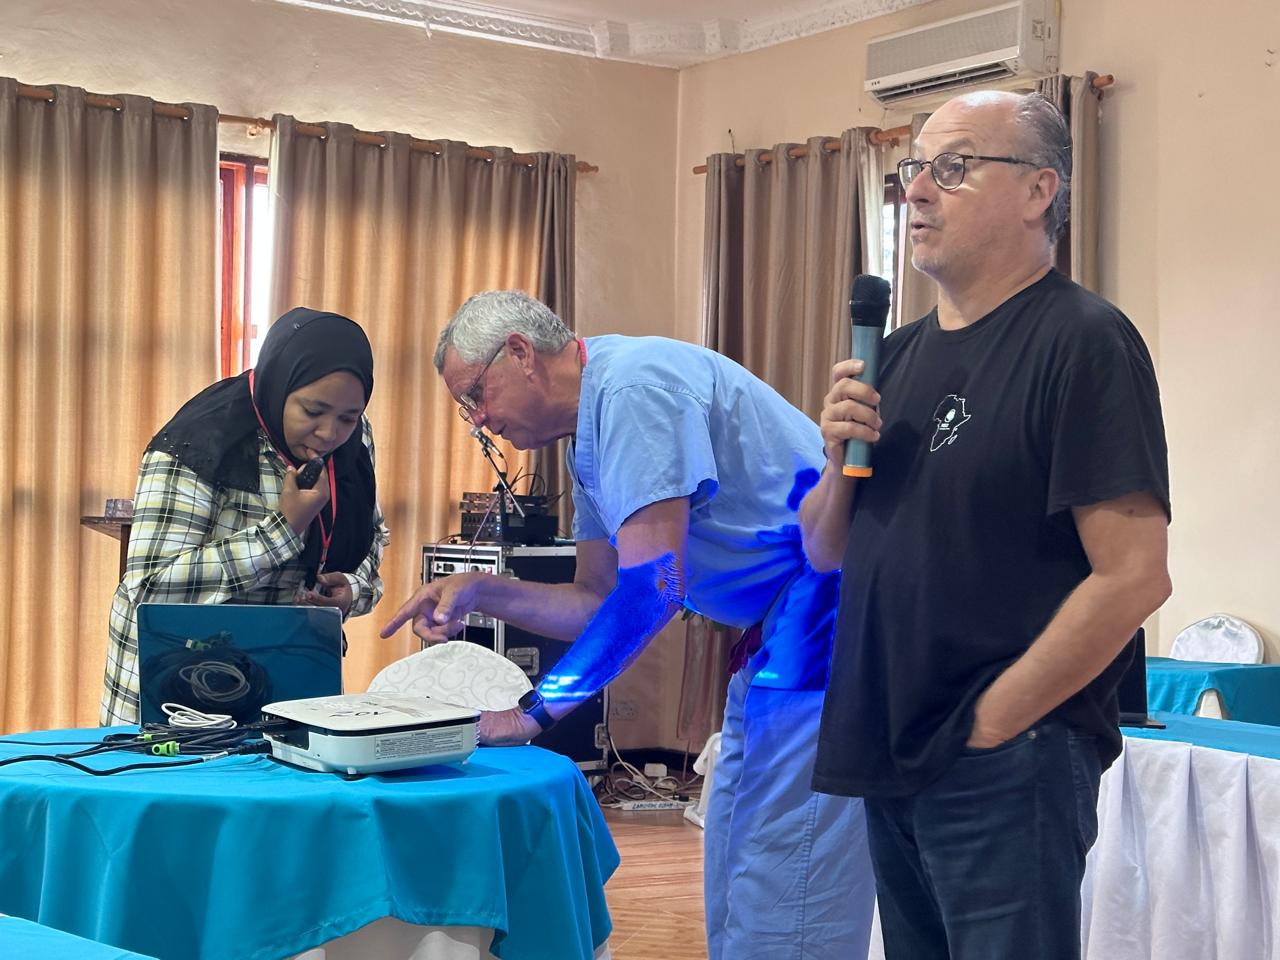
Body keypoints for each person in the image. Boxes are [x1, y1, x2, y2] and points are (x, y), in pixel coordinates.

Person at [381, 290, 875, 960]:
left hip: (829, 614)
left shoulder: (633, 390)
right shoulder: (587, 433)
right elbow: (595, 601)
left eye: (475, 394)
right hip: (783, 627)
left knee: (787, 891)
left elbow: (654, 590)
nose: (479, 421)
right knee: (738, 875)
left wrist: (531, 715)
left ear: (520, 353)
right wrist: (482, 591)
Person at [800, 90, 1172, 959]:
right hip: (893, 745)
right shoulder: (897, 355)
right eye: (914, 169)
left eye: (954, 167)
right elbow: (824, 548)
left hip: (1004, 759)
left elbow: (1134, 575)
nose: (918, 190)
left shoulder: (1083, 341)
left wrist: (999, 719)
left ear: (1040, 190)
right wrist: (837, 458)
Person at [100, 308, 389, 725]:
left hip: (285, 680)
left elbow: (371, 534)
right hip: (175, 689)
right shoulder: (201, 440)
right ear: (279, 386)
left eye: (348, 417)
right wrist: (283, 530)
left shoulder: (353, 441)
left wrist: (352, 590)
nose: (329, 433)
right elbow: (150, 588)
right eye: (312, 412)